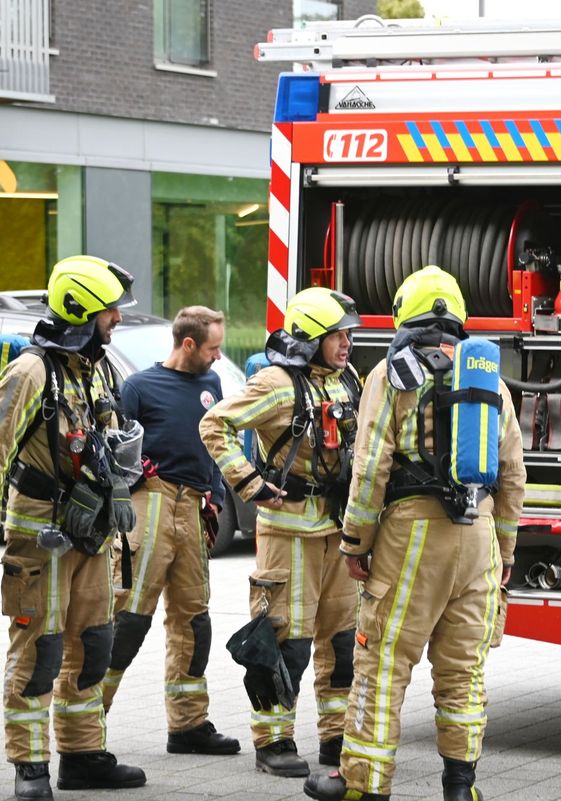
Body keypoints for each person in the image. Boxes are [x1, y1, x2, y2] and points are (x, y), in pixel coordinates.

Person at [303, 266, 526, 801]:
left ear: (405, 314)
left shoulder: (391, 374)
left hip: (412, 533)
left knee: (383, 662)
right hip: (477, 537)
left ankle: (363, 782)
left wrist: (356, 543)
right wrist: (506, 549)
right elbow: (513, 473)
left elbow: (370, 465)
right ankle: (460, 786)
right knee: (463, 669)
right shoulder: (488, 380)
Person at [0, 255, 146, 801]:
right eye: (110, 311)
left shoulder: (101, 369)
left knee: (93, 644)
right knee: (38, 649)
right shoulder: (31, 372)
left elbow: (108, 439)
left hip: (91, 531)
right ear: (81, 312)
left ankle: (83, 756)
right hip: (37, 533)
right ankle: (30, 766)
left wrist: (121, 471)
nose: (117, 320)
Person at [200, 287, 363, 778]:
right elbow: (215, 424)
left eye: (347, 335)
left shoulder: (347, 378)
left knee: (342, 642)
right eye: (336, 335)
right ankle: (274, 741)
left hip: (338, 530)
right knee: (286, 641)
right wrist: (249, 483)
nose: (345, 344)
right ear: (311, 338)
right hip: (288, 532)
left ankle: (336, 738)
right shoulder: (276, 382)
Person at [100, 306, 241, 757]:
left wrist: (215, 493)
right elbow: (115, 450)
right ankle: (86, 726)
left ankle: (188, 726)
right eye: (214, 348)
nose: (218, 357)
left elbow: (214, 440)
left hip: (194, 509)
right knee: (128, 620)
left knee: (194, 622)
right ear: (188, 345)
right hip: (152, 504)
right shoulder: (139, 387)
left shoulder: (211, 384)